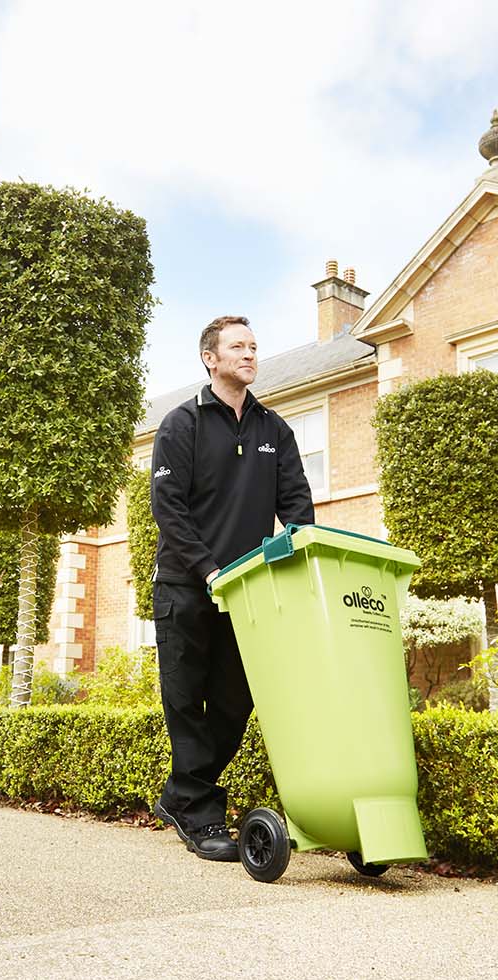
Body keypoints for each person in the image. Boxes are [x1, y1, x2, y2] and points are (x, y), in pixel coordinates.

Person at [148, 315, 315, 861]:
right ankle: (201, 814)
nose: (249, 354)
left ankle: (180, 796)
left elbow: (296, 506)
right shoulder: (182, 425)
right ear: (210, 358)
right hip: (184, 587)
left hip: (246, 591)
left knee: (235, 699)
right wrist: (207, 568)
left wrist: (298, 554)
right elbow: (168, 510)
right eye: (237, 346)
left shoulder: (275, 430)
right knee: (185, 702)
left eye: (253, 346)